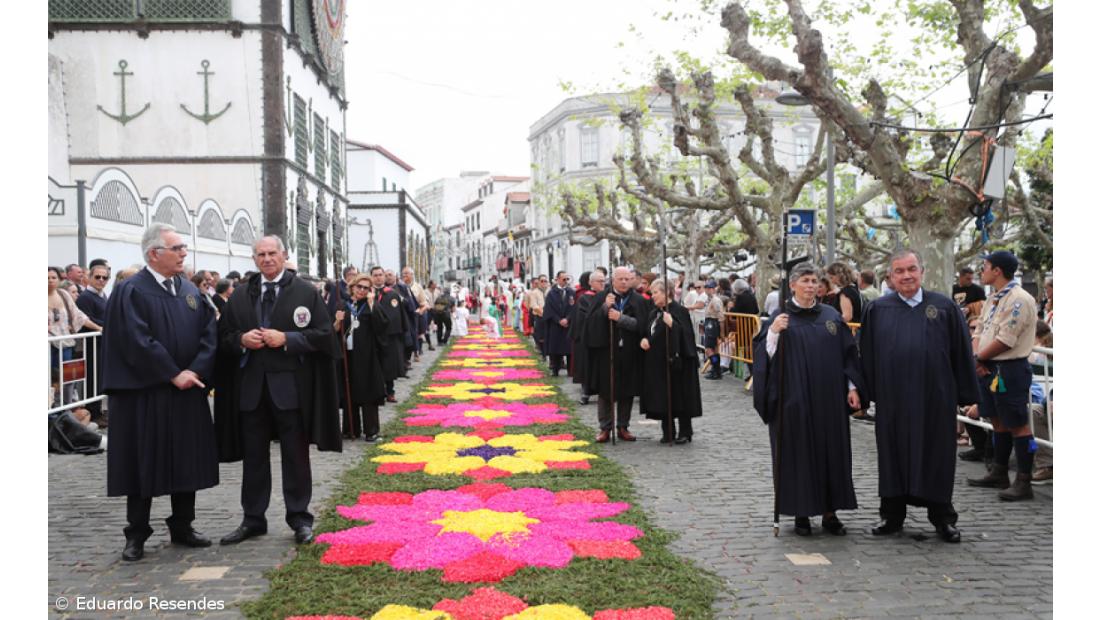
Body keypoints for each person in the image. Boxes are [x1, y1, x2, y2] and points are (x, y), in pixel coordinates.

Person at [101, 223, 219, 561]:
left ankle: (182, 525)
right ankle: (136, 533)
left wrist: (195, 370)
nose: (184, 253)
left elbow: (209, 333)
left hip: (186, 391)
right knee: (143, 462)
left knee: (186, 459)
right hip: (146, 393)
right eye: (177, 248)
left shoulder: (190, 290)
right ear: (155, 253)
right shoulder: (131, 291)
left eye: (183, 248)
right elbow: (136, 340)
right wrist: (171, 373)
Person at [215, 235, 342, 547]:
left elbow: (324, 336)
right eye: (260, 254)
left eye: (272, 253)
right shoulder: (242, 294)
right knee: (254, 457)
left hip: (291, 389)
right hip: (252, 389)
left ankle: (299, 518)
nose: (267, 259)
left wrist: (287, 339)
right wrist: (242, 340)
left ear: (284, 255)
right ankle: (253, 518)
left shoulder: (305, 292)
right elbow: (224, 336)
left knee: (295, 457)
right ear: (254, 258)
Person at [860, 249, 980, 543]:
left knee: (936, 456)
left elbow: (961, 352)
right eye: (899, 271)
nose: (906, 276)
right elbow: (866, 355)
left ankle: (943, 518)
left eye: (912, 269)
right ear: (890, 277)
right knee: (893, 455)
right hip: (893, 398)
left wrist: (966, 394)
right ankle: (892, 515)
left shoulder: (943, 307)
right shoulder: (877, 309)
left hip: (935, 397)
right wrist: (865, 392)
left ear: (922, 272)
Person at [752, 263, 863, 536]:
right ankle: (801, 512)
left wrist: (852, 387)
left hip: (829, 399)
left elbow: (847, 355)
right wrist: (774, 332)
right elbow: (764, 357)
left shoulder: (831, 315)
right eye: (805, 281)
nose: (811, 285)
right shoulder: (780, 317)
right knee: (797, 454)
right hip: (794, 398)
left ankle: (830, 511)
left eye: (815, 281)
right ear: (792, 285)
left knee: (831, 453)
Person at [966, 250, 1039, 501]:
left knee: (1018, 424)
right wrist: (978, 358)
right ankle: (999, 471)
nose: (981, 271)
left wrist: (981, 358)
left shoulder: (1019, 300)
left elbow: (1006, 339)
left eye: (985, 266)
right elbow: (979, 332)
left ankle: (1024, 480)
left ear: (997, 270)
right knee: (997, 420)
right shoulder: (993, 299)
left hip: (1009, 369)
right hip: (988, 367)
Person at [584, 266, 650, 443]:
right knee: (606, 391)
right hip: (607, 352)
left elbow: (642, 325)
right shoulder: (601, 298)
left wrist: (621, 319)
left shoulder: (638, 300)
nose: (623, 282)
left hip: (629, 352)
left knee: (626, 391)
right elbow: (590, 324)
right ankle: (605, 428)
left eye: (627, 279)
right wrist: (605, 308)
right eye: (620, 279)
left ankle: (623, 426)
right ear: (612, 280)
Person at [639, 279, 702, 444]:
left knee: (680, 396)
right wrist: (645, 340)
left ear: (666, 292)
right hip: (657, 362)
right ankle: (668, 431)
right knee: (663, 397)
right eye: (652, 293)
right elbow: (649, 332)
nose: (652, 296)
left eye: (656, 293)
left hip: (676, 361)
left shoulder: (679, 311)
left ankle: (685, 431)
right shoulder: (653, 313)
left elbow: (687, 336)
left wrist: (673, 325)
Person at [335, 273, 389, 442]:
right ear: (353, 286)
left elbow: (382, 327)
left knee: (368, 391)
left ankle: (371, 430)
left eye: (366, 288)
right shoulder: (344, 305)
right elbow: (334, 330)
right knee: (349, 389)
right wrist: (337, 322)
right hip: (348, 355)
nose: (362, 290)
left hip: (367, 356)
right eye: (360, 287)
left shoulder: (372, 305)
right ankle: (351, 428)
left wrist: (373, 305)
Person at [76, 263, 111, 424]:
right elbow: (86, 319)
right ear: (89, 278)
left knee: (99, 376)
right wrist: (107, 326)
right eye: (98, 277)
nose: (101, 280)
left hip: (101, 343)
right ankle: (94, 412)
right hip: (90, 345)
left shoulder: (102, 295)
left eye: (105, 277)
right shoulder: (85, 297)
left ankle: (98, 410)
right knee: (92, 377)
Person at [371, 267, 407, 402]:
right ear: (371, 277)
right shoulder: (368, 293)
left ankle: (390, 391)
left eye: (381, 275)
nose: (379, 277)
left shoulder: (392, 294)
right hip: (373, 336)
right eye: (375, 275)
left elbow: (397, 315)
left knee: (389, 365)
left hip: (388, 336)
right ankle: (378, 392)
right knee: (376, 365)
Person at [569, 271, 599, 404]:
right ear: (590, 282)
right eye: (600, 281)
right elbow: (581, 318)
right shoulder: (584, 297)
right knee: (587, 365)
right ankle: (586, 392)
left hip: (601, 338)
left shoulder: (606, 296)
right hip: (586, 337)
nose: (603, 284)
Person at [543, 271, 575, 376]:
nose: (565, 281)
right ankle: (555, 369)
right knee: (555, 348)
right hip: (556, 325)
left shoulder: (571, 292)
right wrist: (558, 320)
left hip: (568, 325)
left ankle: (571, 371)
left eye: (567, 279)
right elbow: (549, 309)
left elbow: (574, 308)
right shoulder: (551, 293)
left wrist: (568, 319)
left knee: (569, 348)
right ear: (557, 279)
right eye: (563, 279)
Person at [702, 281, 725, 380]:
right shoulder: (708, 299)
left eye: (710, 288)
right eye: (706, 288)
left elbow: (721, 316)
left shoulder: (715, 300)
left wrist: (722, 332)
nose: (708, 290)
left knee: (708, 349)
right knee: (714, 350)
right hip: (709, 323)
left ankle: (716, 369)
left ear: (714, 289)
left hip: (713, 324)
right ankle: (716, 369)